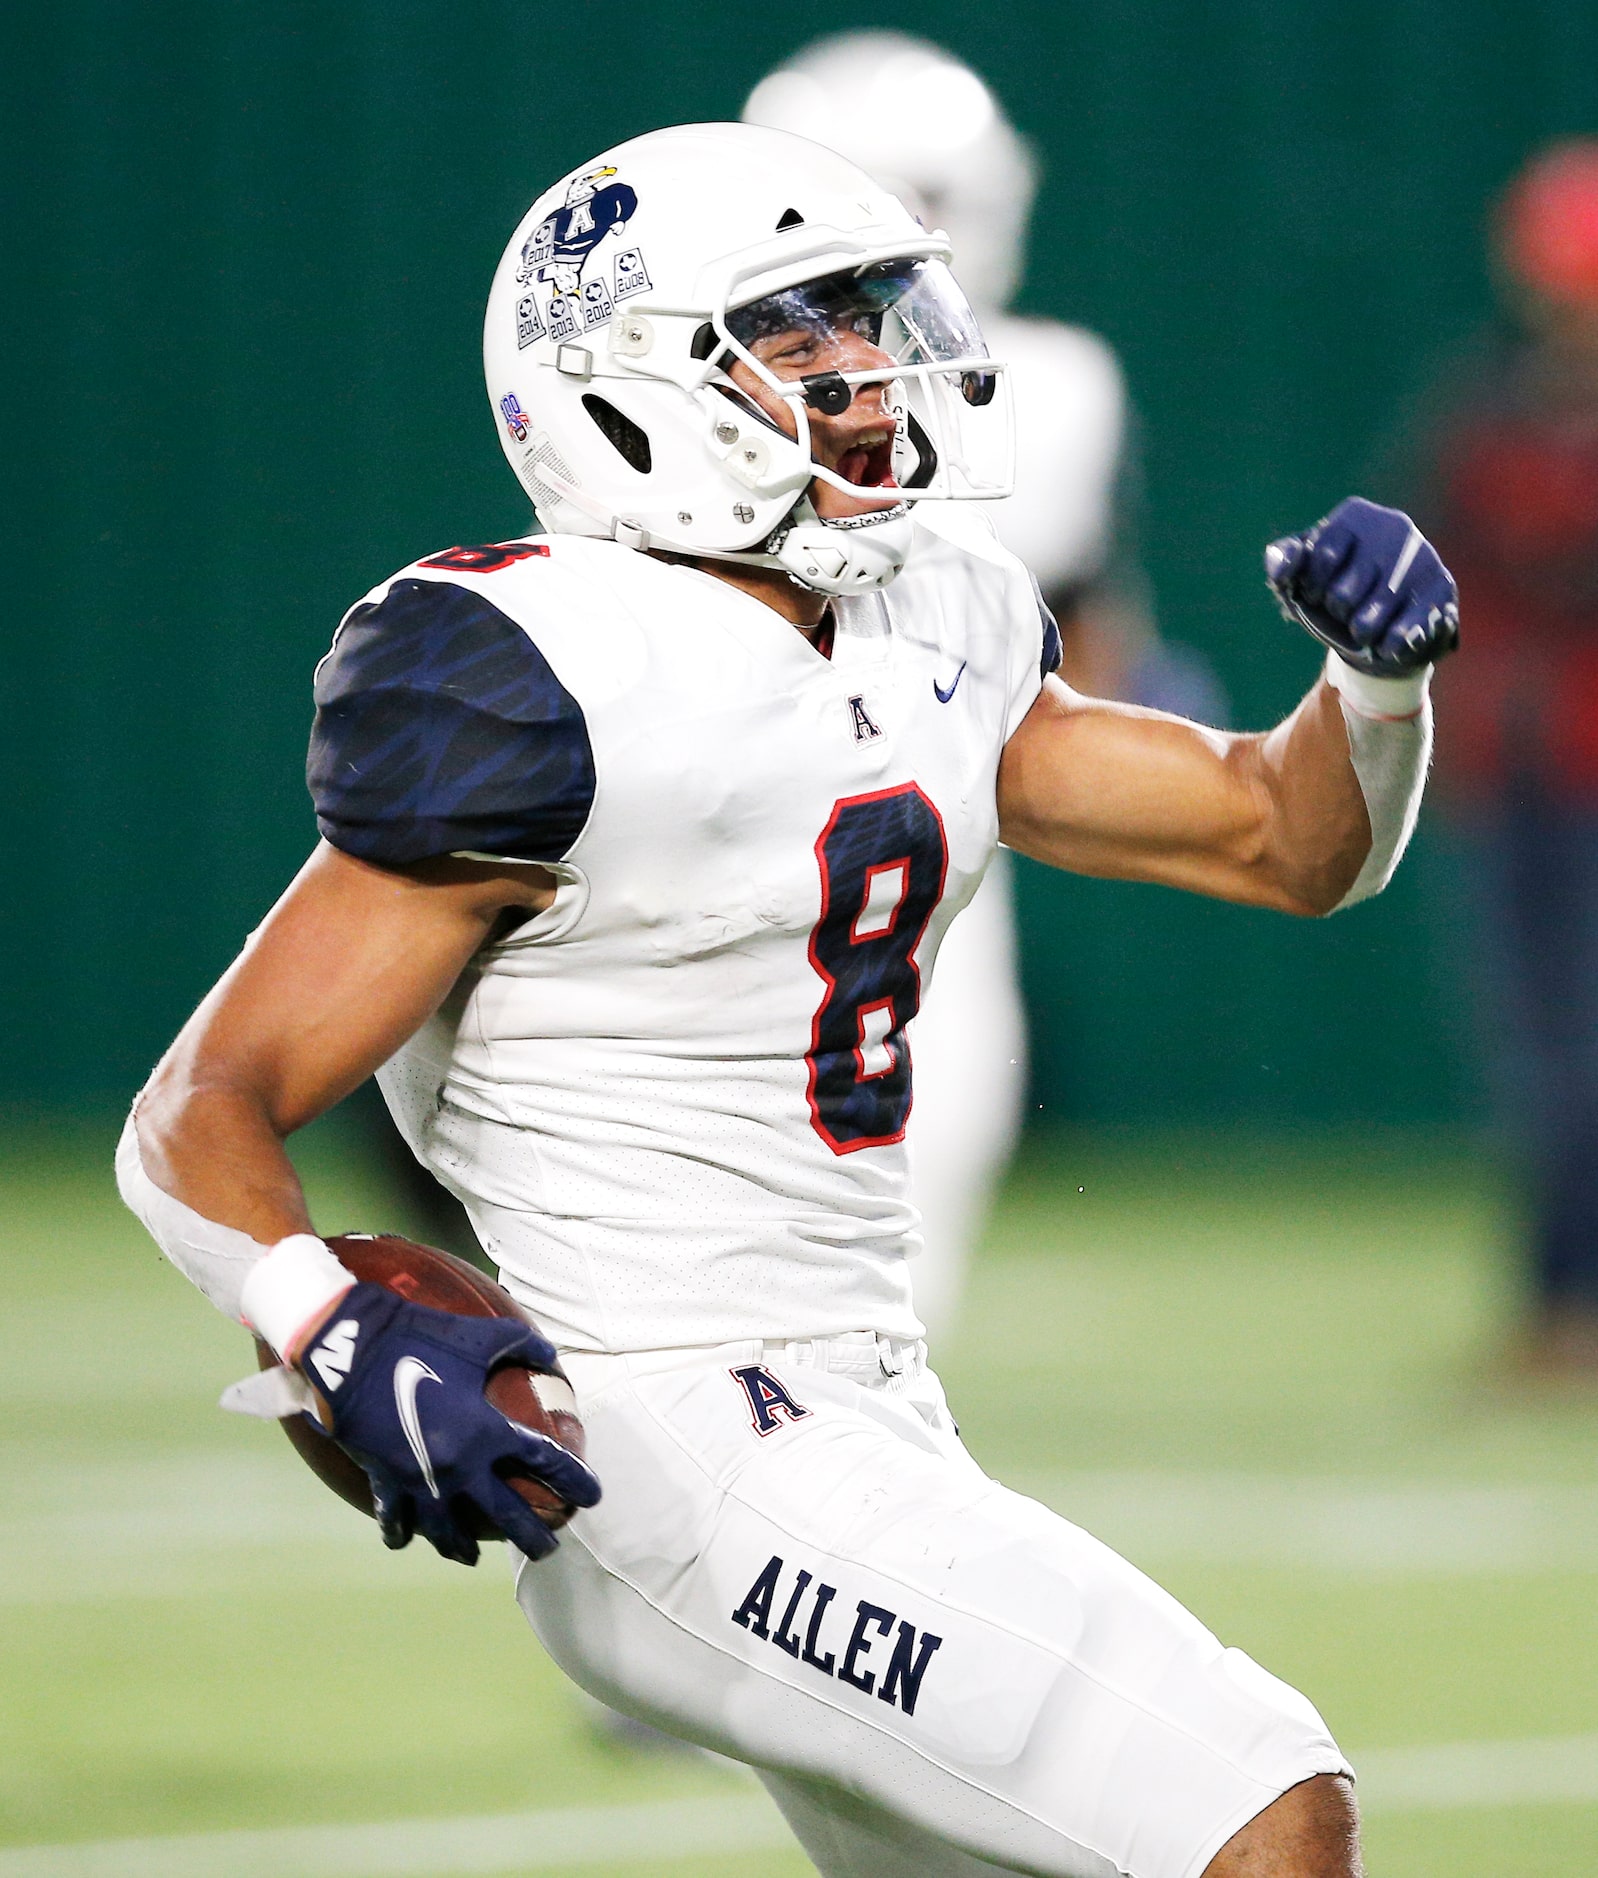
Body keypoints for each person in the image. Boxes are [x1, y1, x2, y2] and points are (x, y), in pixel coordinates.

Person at [118, 122, 1456, 1878]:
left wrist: (1367, 689)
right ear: (629, 389)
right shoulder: (539, 669)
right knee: (1260, 1800)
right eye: (802, 331)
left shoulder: (936, 618)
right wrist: (320, 1314)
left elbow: (1283, 842)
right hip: (671, 1438)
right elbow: (197, 1110)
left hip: (865, 1404)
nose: (869, 371)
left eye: (870, 315)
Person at [743, 35, 1224, 1335]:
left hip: (869, 783)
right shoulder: (1045, 382)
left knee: (925, 1076)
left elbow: (1072, 622)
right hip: (766, 775)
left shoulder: (1039, 384)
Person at [1375, 140, 1598, 1378]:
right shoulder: (1490, 400)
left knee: (1582, 1048)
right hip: (1510, 770)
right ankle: (1553, 1303)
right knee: (1536, 1051)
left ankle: (1572, 1304)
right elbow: (1432, 548)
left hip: (1582, 761)